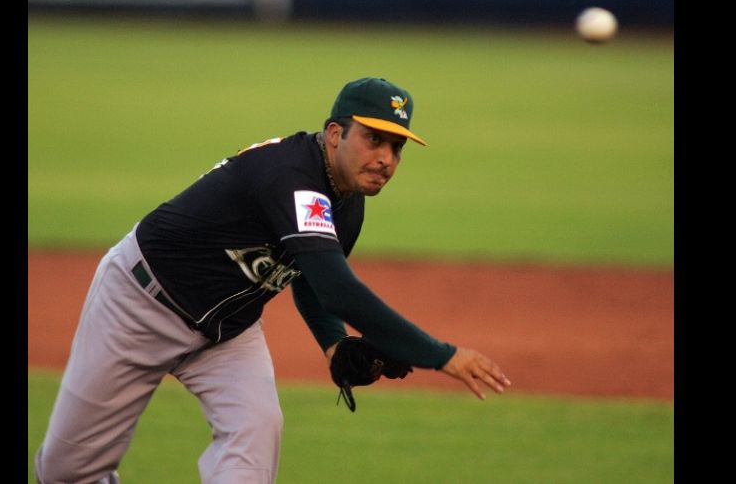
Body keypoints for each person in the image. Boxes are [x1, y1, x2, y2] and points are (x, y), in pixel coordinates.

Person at [34, 77, 512, 484]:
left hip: (228, 331)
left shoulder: (347, 201)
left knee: (256, 434)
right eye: (374, 139)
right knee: (66, 471)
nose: (386, 158)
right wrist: (440, 355)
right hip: (141, 304)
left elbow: (310, 275)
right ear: (335, 134)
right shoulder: (291, 174)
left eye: (397, 147)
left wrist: (333, 345)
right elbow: (338, 289)